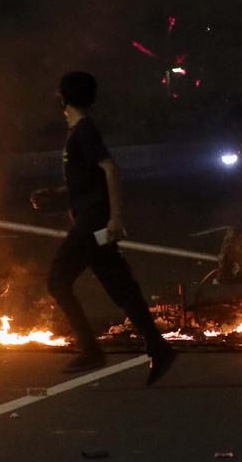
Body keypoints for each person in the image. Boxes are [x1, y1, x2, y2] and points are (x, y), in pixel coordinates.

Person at [30, 71, 178, 385]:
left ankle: (90, 349)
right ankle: (158, 347)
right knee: (120, 286)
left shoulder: (84, 130)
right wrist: (57, 195)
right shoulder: (78, 131)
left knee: (57, 280)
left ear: (63, 97)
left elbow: (110, 169)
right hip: (92, 219)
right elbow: (88, 180)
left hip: (93, 223)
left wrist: (116, 219)